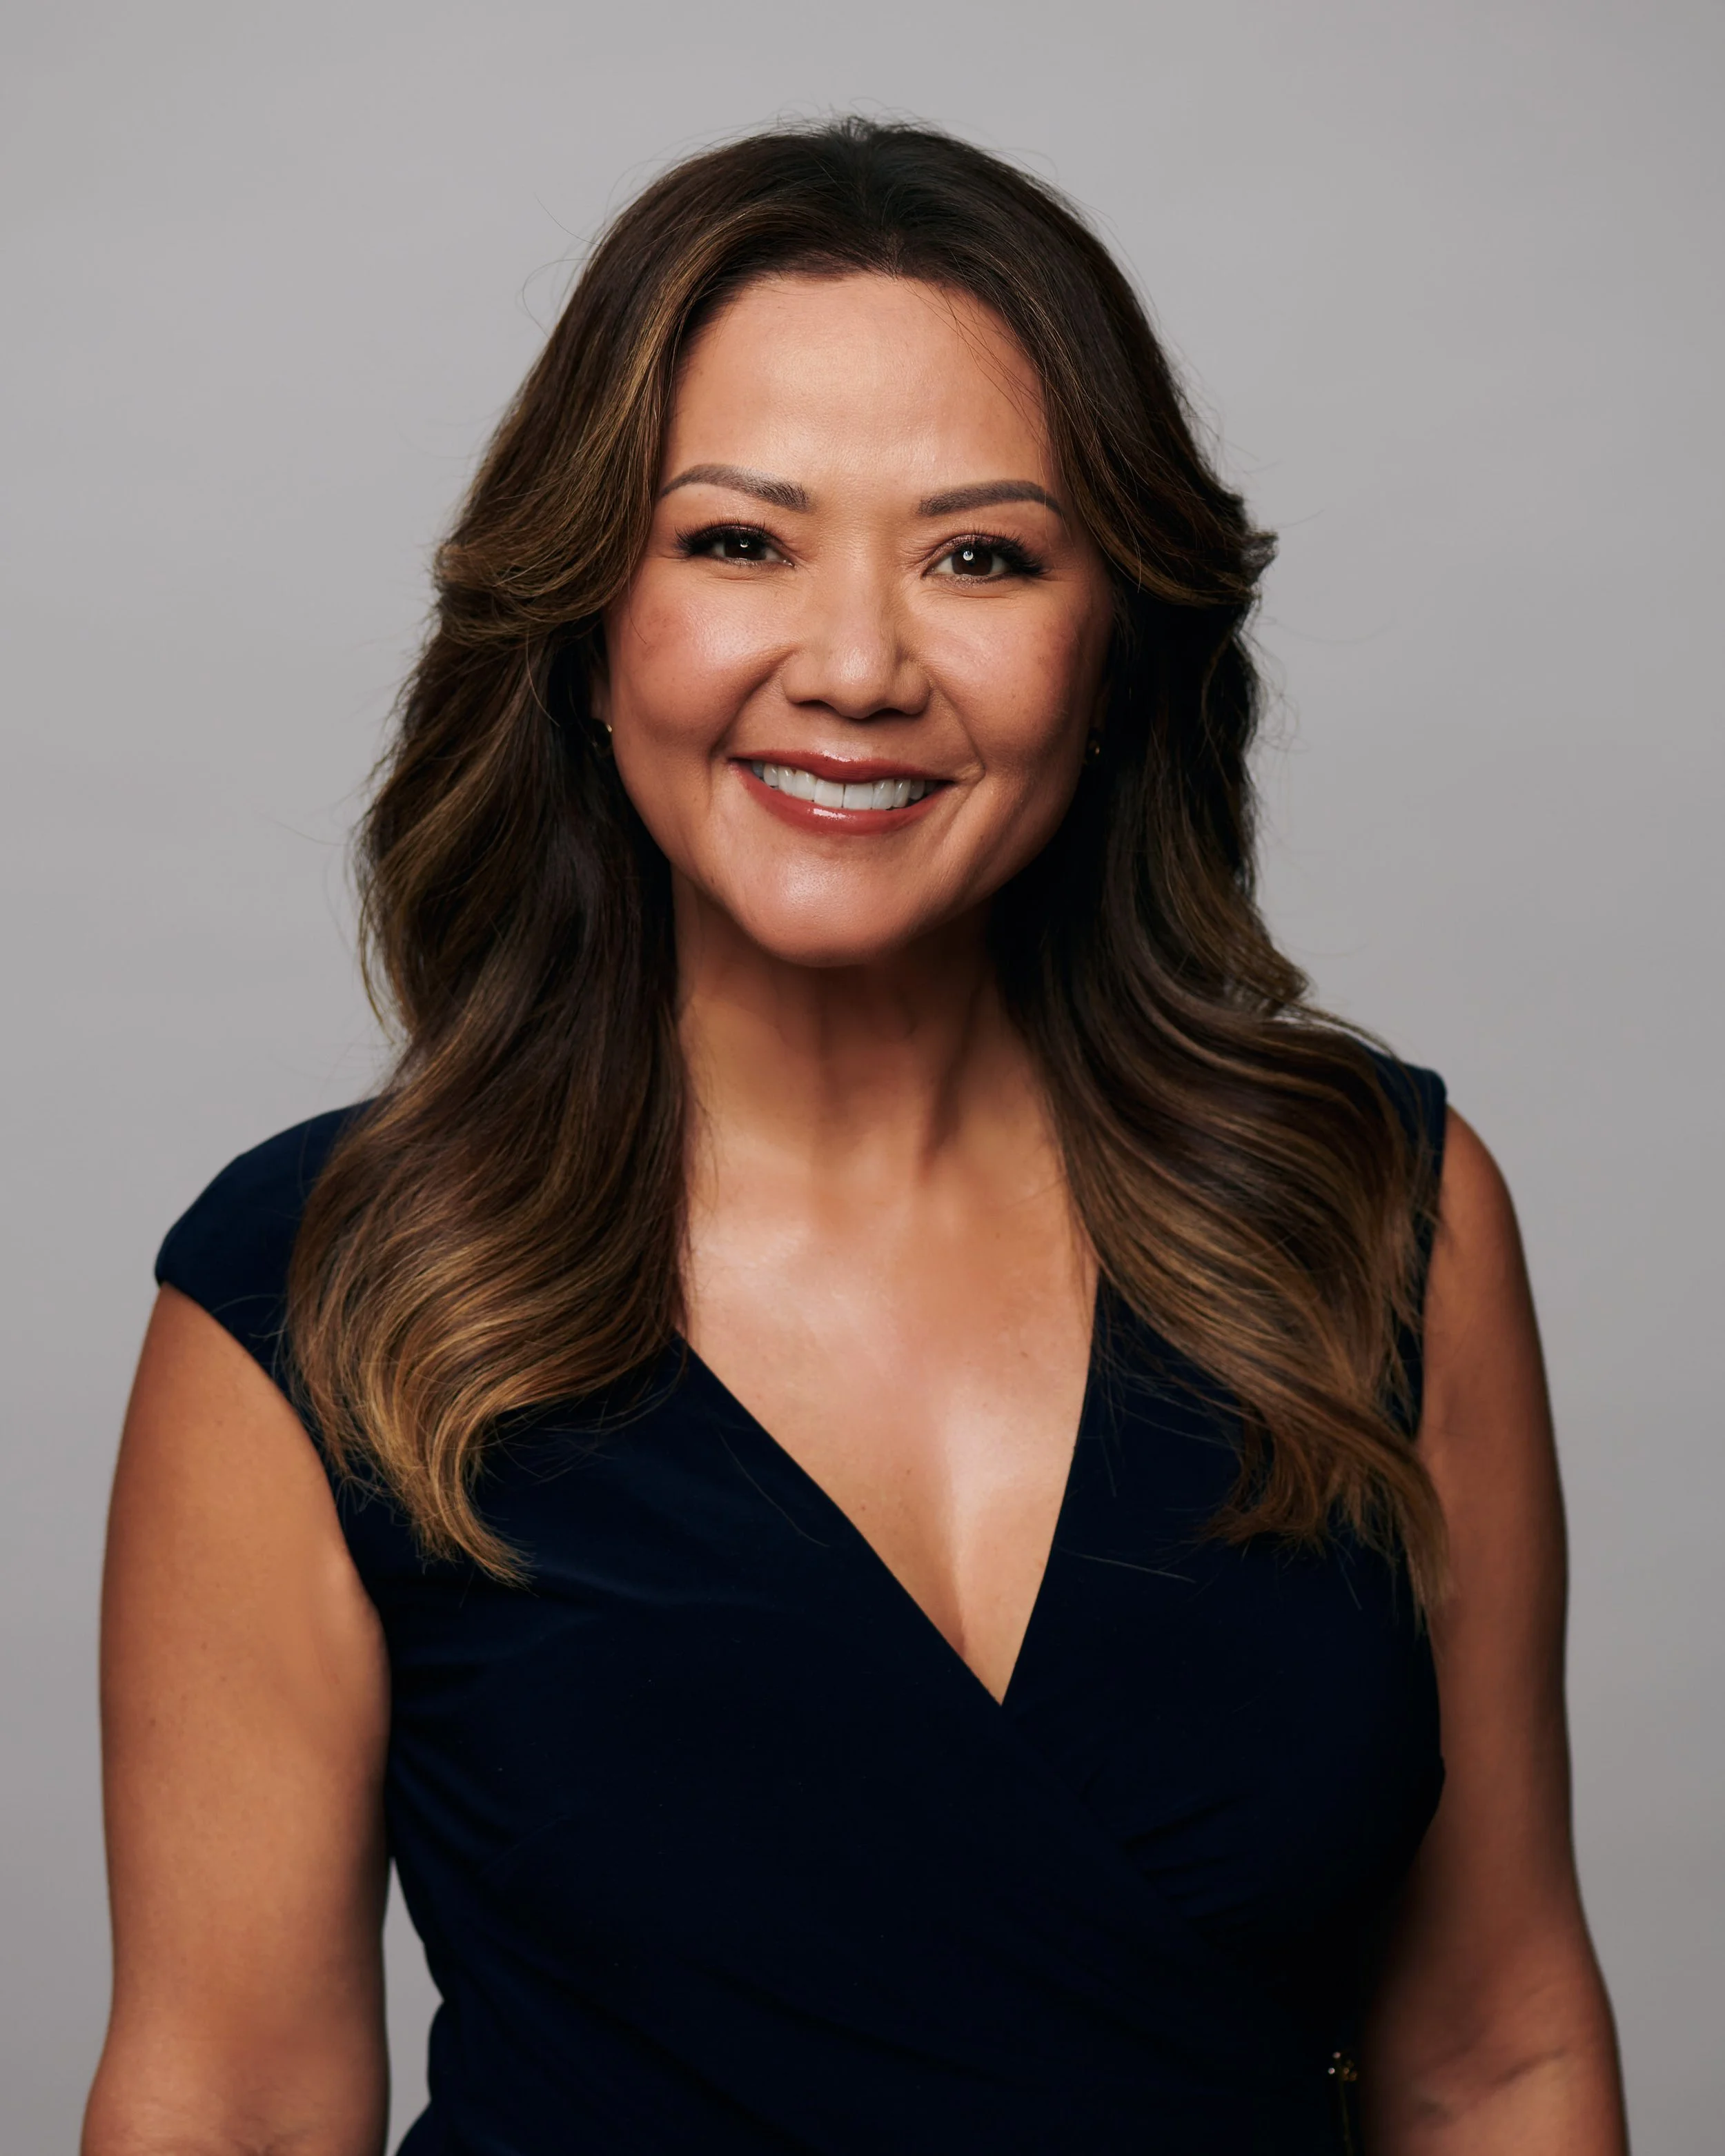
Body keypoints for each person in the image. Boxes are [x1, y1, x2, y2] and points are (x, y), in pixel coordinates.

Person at [84, 119, 1626, 2155]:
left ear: (1116, 641)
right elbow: (234, 2099)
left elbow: (1492, 2048)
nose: (857, 665)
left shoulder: (1376, 1215)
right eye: (738, 541)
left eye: (981, 554)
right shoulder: (317, 1290)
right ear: (588, 615)